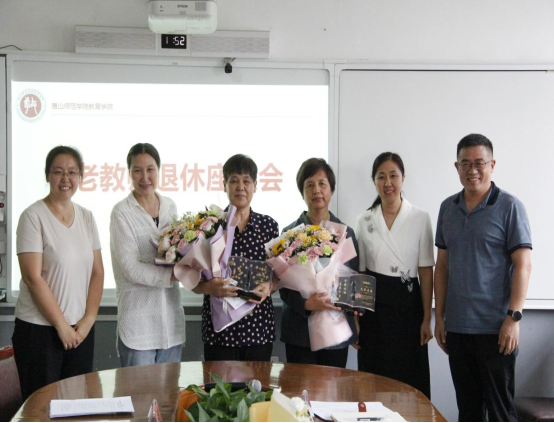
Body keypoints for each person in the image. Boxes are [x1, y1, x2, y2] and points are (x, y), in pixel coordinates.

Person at [434, 134, 532, 422]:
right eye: (465, 163)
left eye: (479, 163)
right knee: (469, 412)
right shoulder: (447, 208)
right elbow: (442, 266)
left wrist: (513, 318)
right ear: (456, 167)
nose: (472, 170)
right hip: (458, 328)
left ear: (492, 165)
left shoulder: (510, 207)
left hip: (496, 330)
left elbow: (523, 265)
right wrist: (439, 317)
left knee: (500, 413)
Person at [12, 145, 104, 401]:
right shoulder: (32, 216)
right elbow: (32, 277)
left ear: (80, 177)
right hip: (39, 331)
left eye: (72, 172)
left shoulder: (87, 217)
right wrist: (62, 326)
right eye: (58, 172)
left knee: (76, 406)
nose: (66, 178)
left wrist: (88, 319)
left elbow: (97, 272)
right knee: (40, 408)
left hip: (80, 331)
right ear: (47, 175)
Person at [355, 152, 434, 399]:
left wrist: (427, 318)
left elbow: (425, 271)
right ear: (374, 181)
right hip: (374, 311)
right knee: (374, 380)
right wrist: (356, 318)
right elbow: (361, 272)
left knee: (410, 380)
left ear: (403, 178)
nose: (387, 183)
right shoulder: (364, 219)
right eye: (381, 177)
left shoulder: (420, 217)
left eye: (393, 176)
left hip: (408, 309)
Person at [193, 154, 279, 361]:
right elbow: (191, 279)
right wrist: (209, 288)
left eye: (246, 181)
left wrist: (270, 286)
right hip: (220, 333)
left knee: (259, 384)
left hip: (258, 329)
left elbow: (279, 275)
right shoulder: (209, 226)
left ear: (255, 185)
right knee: (217, 384)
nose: (240, 187)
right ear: (224, 185)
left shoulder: (268, 226)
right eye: (234, 181)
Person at [110, 143, 185, 367]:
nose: (145, 177)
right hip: (138, 328)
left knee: (170, 390)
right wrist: (172, 276)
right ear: (129, 173)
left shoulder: (170, 206)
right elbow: (130, 268)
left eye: (150, 169)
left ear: (159, 170)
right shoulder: (121, 212)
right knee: (139, 390)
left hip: (171, 325)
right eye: (137, 170)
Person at [280, 158, 359, 368]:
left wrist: (354, 318)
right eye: (310, 185)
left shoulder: (346, 233)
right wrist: (306, 304)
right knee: (300, 388)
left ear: (331, 189)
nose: (316, 190)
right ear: (302, 192)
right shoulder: (288, 234)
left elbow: (352, 281)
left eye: (322, 184)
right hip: (299, 331)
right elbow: (282, 286)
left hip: (336, 329)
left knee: (333, 388)